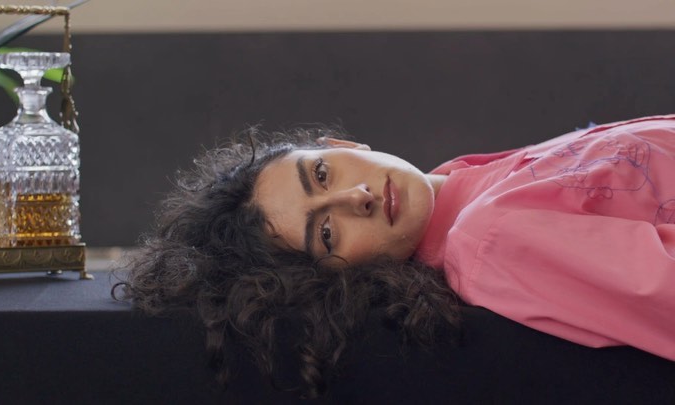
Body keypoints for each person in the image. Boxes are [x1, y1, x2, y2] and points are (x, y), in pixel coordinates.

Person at [118, 116, 675, 398]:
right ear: (339, 275)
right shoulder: (489, 240)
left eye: (321, 174)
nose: (356, 198)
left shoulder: (470, 181)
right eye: (327, 233)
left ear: (341, 146)